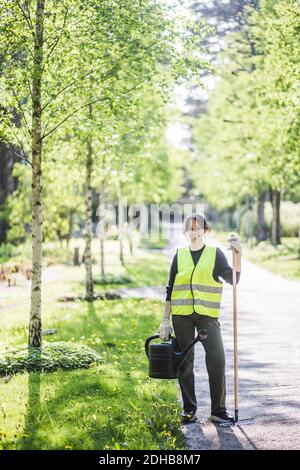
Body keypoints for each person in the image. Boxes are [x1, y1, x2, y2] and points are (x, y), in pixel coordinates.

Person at [158, 213, 242, 425]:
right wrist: (165, 319)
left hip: (207, 316)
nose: (193, 232)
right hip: (181, 316)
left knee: (217, 359)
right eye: (190, 228)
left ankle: (218, 410)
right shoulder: (180, 255)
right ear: (185, 232)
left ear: (205, 230)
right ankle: (189, 410)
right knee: (185, 363)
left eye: (197, 228)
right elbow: (170, 289)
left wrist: (238, 254)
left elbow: (234, 279)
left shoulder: (215, 255)